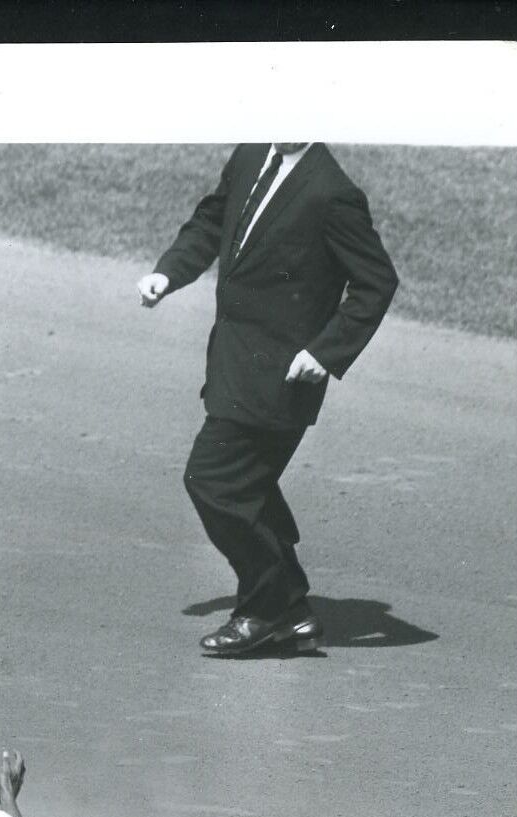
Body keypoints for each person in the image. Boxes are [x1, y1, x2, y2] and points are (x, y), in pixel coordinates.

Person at [137, 143, 399, 656]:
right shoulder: (253, 154)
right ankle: (291, 608)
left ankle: (264, 609)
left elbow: (376, 280)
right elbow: (213, 220)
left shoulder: (331, 191)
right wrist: (169, 272)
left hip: (284, 376)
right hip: (235, 363)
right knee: (246, 485)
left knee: (213, 478)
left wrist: (326, 353)